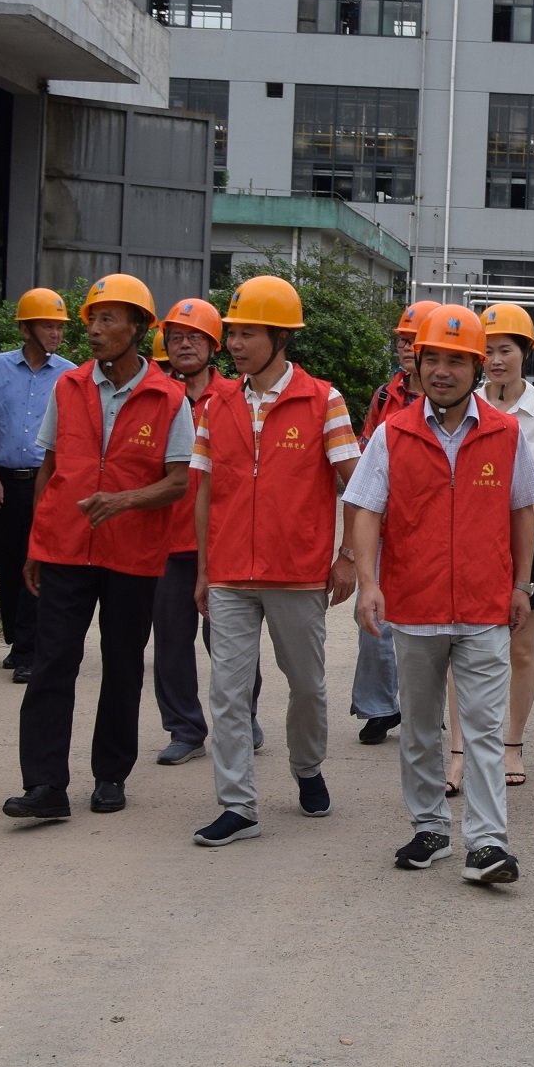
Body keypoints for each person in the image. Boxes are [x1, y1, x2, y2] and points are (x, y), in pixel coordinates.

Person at [349, 305, 534, 885]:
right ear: (416, 363)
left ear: (477, 367)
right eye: (431, 358)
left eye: (456, 361)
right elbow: (364, 510)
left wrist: (521, 584)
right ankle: (430, 827)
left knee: (483, 730)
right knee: (418, 727)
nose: (442, 370)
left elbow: (524, 511)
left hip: (485, 607)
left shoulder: (505, 433)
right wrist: (369, 584)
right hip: (414, 607)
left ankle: (486, 844)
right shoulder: (393, 434)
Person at [0, 274, 193, 823]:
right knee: (52, 663)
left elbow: (179, 481)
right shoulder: (68, 387)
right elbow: (50, 468)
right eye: (92, 319)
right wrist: (37, 543)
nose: (94, 330)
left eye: (108, 319)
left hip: (132, 554)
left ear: (138, 327)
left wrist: (125, 501)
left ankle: (111, 775)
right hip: (65, 548)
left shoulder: (169, 397)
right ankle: (44, 785)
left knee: (123, 665)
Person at [188, 274, 360, 849]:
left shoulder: (323, 400)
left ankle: (307, 768)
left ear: (281, 337)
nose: (235, 344)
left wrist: (348, 555)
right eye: (232, 332)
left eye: (248, 333)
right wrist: (204, 569)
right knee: (228, 692)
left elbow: (358, 484)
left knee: (307, 685)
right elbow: (204, 490)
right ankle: (238, 805)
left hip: (298, 574)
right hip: (230, 574)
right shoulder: (216, 404)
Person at [149, 297, 264, 765]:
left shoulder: (235, 397)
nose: (184, 345)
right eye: (176, 337)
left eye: (195, 337)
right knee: (171, 641)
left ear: (214, 345)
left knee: (231, 641)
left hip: (223, 540)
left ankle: (243, 717)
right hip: (167, 541)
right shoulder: (155, 396)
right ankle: (184, 729)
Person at [469, 303, 534, 792]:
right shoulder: (467, 403)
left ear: (526, 352)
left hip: (529, 541)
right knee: (463, 649)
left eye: (505, 350)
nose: (495, 360)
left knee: (521, 650)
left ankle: (512, 743)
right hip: (470, 544)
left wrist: (515, 534)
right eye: (487, 351)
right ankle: (461, 752)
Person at [0, 289, 74, 683]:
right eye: (48, 326)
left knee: (36, 561)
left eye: (59, 327)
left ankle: (30, 651)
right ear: (26, 329)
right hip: (2, 481)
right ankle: (17, 640)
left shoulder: (69, 374)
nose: (56, 334)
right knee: (5, 563)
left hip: (44, 482)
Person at [349, 299, 435, 746]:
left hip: (433, 530)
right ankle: (380, 708)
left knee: (433, 626)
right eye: (401, 339)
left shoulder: (453, 397)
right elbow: (365, 457)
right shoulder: (385, 395)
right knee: (375, 622)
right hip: (386, 527)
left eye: (413, 340)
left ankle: (430, 707)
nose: (404, 347)